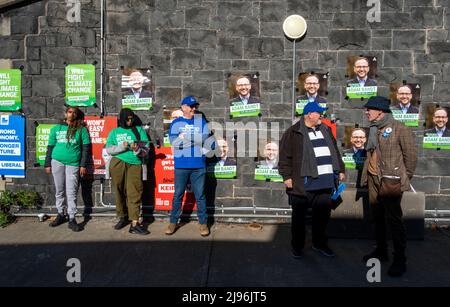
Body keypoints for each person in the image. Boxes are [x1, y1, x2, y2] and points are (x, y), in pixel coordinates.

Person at [279, 102, 345, 258]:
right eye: (319, 113)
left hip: (325, 181)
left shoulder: (326, 129)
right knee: (299, 219)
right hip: (304, 183)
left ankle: (319, 244)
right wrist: (287, 176)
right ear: (309, 114)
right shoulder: (293, 132)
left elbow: (334, 151)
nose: (321, 115)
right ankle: (297, 247)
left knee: (322, 217)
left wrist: (340, 169)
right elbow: (284, 156)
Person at [361, 96, 417, 277]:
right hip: (373, 179)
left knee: (394, 220)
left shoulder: (401, 129)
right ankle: (381, 251)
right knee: (377, 217)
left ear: (380, 111)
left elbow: (411, 158)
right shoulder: (373, 129)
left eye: (369, 109)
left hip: (391, 180)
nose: (366, 111)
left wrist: (403, 179)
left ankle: (400, 259)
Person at [166, 96, 211, 237]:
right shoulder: (176, 122)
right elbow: (174, 142)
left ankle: (203, 223)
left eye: (195, 106)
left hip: (198, 165)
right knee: (178, 195)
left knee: (200, 196)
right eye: (191, 106)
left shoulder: (201, 121)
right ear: (183, 107)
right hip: (181, 164)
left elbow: (204, 138)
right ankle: (173, 222)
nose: (193, 109)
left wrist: (184, 137)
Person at [45, 106, 91, 232]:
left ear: (77, 115)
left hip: (73, 163)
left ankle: (72, 218)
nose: (72, 114)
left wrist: (83, 165)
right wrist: (47, 163)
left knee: (71, 192)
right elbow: (50, 147)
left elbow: (86, 149)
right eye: (70, 112)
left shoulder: (81, 130)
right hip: (57, 161)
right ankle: (60, 214)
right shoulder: (56, 128)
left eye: (74, 112)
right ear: (66, 114)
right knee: (59, 190)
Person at [105, 108, 150, 235]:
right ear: (123, 119)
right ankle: (122, 217)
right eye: (127, 119)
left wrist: (137, 149)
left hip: (135, 164)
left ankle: (134, 223)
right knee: (119, 191)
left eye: (131, 118)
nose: (130, 121)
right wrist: (123, 146)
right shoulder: (114, 132)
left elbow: (146, 150)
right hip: (118, 163)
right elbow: (109, 149)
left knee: (134, 192)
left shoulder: (139, 130)